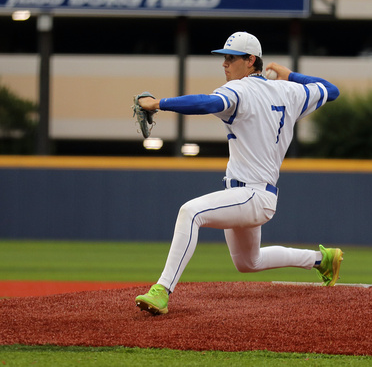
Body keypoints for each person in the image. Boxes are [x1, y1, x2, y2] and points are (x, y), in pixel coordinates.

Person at [134, 31, 343, 315]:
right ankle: (322, 259)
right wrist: (291, 75)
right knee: (249, 262)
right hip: (253, 196)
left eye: (231, 58)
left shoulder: (239, 90)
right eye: (224, 58)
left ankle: (162, 290)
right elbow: (331, 90)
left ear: (250, 60)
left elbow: (207, 103)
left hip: (250, 194)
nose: (225, 64)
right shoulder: (290, 91)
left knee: (191, 212)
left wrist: (159, 104)